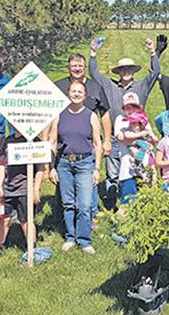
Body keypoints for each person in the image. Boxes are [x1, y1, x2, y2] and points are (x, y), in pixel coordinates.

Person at [88, 37, 160, 209]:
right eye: (122, 69)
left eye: (129, 69)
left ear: (133, 71)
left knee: (138, 169)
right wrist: (92, 53)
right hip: (115, 136)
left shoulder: (141, 86)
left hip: (137, 137)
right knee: (113, 171)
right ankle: (111, 204)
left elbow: (155, 73)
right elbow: (94, 74)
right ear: (118, 72)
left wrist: (152, 51)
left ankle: (138, 204)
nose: (126, 72)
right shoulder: (109, 85)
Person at [53, 53, 112, 221]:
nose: (77, 68)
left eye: (80, 65)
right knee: (63, 179)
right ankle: (64, 216)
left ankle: (90, 215)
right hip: (64, 143)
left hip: (89, 143)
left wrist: (107, 139)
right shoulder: (58, 86)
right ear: (68, 67)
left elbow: (105, 113)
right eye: (74, 65)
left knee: (90, 180)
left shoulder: (95, 87)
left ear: (85, 68)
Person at [48, 81, 103, 254]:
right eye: (73, 91)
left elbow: (97, 144)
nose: (76, 94)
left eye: (80, 92)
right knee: (68, 203)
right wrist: (51, 167)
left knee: (85, 205)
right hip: (63, 163)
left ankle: (84, 240)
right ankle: (70, 237)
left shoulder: (91, 116)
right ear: (68, 93)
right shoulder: (59, 115)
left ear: (85, 95)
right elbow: (52, 142)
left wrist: (97, 168)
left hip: (85, 163)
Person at [0, 125, 44, 261]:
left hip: (25, 188)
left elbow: (40, 168)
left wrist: (35, 189)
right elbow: (1, 165)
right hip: (8, 188)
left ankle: (32, 248)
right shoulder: (7, 141)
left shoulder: (34, 142)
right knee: (3, 218)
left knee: (26, 220)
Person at [115, 105, 157, 211]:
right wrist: (142, 136)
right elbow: (124, 138)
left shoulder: (146, 128)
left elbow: (154, 141)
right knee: (129, 198)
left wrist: (150, 136)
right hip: (130, 165)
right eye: (127, 107)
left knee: (150, 189)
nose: (131, 124)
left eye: (134, 107)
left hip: (147, 160)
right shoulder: (122, 123)